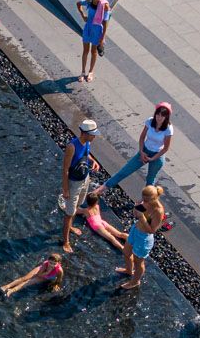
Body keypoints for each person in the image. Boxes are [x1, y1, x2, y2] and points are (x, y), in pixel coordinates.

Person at [93, 103, 173, 196]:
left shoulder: (168, 129)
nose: (159, 118)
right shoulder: (150, 122)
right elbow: (142, 137)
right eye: (157, 114)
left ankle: (145, 201)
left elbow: (165, 148)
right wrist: (141, 152)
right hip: (145, 151)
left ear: (166, 117)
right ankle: (101, 189)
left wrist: (152, 158)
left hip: (157, 155)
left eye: (162, 116)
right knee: (124, 171)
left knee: (150, 179)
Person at [59, 120, 101, 253]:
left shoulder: (87, 142)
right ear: (85, 133)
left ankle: (70, 227)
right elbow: (65, 169)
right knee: (69, 213)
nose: (94, 137)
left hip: (84, 178)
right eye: (93, 134)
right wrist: (66, 189)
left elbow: (85, 155)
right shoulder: (72, 146)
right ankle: (65, 241)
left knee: (78, 205)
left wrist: (93, 161)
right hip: (73, 183)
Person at [116, 185, 165, 290]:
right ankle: (129, 270)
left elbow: (152, 230)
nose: (143, 201)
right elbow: (136, 215)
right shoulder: (145, 202)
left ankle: (135, 281)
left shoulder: (158, 211)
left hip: (144, 238)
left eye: (146, 199)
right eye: (143, 198)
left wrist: (142, 217)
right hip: (135, 230)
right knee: (126, 252)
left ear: (153, 198)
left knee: (139, 262)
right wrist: (136, 207)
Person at [76, 0, 110, 83]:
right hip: (88, 28)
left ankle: (90, 71)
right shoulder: (88, 1)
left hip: (97, 30)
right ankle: (83, 72)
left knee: (93, 51)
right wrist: (83, 15)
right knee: (85, 50)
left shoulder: (105, 5)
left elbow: (105, 23)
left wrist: (102, 37)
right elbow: (78, 4)